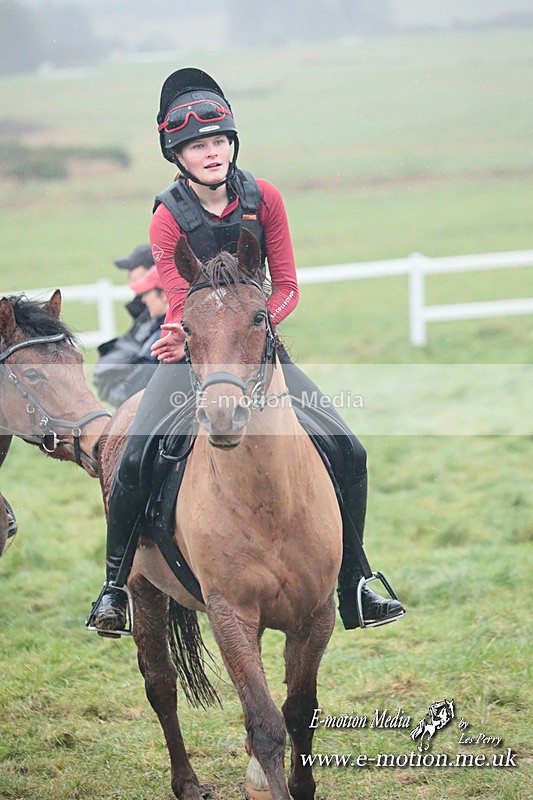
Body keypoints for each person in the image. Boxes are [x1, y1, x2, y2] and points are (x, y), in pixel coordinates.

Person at [87, 67, 404, 636]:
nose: (212, 153)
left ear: (233, 143)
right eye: (197, 146)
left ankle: (355, 582)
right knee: (133, 455)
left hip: (262, 352)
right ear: (176, 156)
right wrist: (189, 334)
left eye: (219, 141)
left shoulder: (266, 199)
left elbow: (287, 287)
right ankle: (113, 588)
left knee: (350, 451)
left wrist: (256, 328)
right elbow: (179, 298)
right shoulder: (167, 217)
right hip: (197, 358)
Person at [93, 244, 157, 407]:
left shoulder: (157, 317)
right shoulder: (145, 310)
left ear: (149, 269)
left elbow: (147, 363)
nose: (128, 274)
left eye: (132, 268)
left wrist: (122, 391)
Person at [97, 267, 169, 408]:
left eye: (147, 293)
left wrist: (112, 391)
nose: (143, 299)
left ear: (165, 296)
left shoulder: (162, 335)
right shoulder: (156, 328)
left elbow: (132, 393)